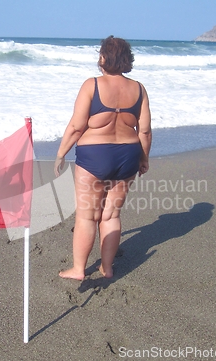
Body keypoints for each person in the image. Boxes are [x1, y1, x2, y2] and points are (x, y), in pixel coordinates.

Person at [54, 36, 152, 280]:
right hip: (127, 155)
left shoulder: (92, 85)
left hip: (94, 157)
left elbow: (77, 126)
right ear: (127, 59)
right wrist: (144, 158)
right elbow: (145, 130)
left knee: (87, 215)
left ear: (103, 58)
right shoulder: (138, 89)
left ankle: (78, 269)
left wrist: (60, 153)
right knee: (111, 215)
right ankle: (107, 267)